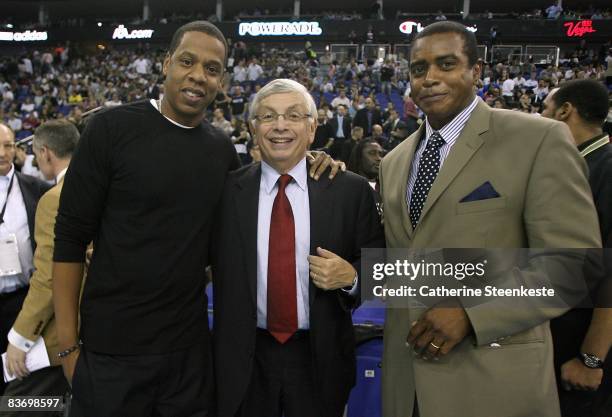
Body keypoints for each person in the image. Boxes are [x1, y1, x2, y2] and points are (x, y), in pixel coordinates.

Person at [52, 21, 340, 417]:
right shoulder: (109, 129)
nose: (197, 76)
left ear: (222, 79)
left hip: (189, 357)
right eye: (187, 61)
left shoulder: (220, 149)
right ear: (167, 63)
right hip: (111, 353)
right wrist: (67, 346)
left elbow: (255, 195)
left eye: (211, 68)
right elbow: (69, 239)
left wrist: (312, 160)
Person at [378, 21, 601, 417]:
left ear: (476, 71)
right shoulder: (394, 163)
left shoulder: (538, 139)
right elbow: (403, 266)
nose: (429, 78)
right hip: (406, 386)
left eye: (446, 64)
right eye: (418, 69)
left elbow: (573, 264)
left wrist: (472, 315)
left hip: (495, 385)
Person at [211, 79, 385, 417]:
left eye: (293, 116)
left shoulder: (351, 191)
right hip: (244, 363)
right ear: (252, 128)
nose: (280, 126)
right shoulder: (224, 192)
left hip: (320, 363)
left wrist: (352, 277)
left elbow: (380, 268)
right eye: (268, 117)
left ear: (312, 127)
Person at [542, 80, 612, 417]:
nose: (540, 118)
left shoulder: (606, 170)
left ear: (565, 111)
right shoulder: (574, 166)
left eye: (544, 110)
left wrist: (591, 357)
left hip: (582, 351)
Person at [3, 120, 79, 414]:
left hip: (38, 314)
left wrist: (21, 337)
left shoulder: (45, 193)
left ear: (45, 154)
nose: (3, 152)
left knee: (20, 401)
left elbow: (49, 276)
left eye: (9, 145)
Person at [0, 123, 52, 394]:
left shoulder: (37, 189)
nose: (2, 153)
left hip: (23, 301)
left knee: (23, 379)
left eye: (8, 145)